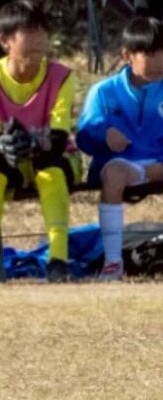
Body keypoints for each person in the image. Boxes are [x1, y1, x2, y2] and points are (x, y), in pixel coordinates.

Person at [0, 0, 75, 284]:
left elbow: (59, 136)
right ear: (5, 40)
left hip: (51, 155)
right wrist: (5, 145)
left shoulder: (61, 76)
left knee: (51, 171)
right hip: (8, 160)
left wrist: (36, 144)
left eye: (42, 32)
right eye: (29, 33)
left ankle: (58, 260)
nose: (39, 40)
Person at [75, 16, 163, 281]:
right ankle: (113, 262)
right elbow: (84, 135)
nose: (159, 60)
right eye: (150, 53)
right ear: (127, 56)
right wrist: (104, 135)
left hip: (159, 161)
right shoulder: (103, 92)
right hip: (120, 165)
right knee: (114, 174)